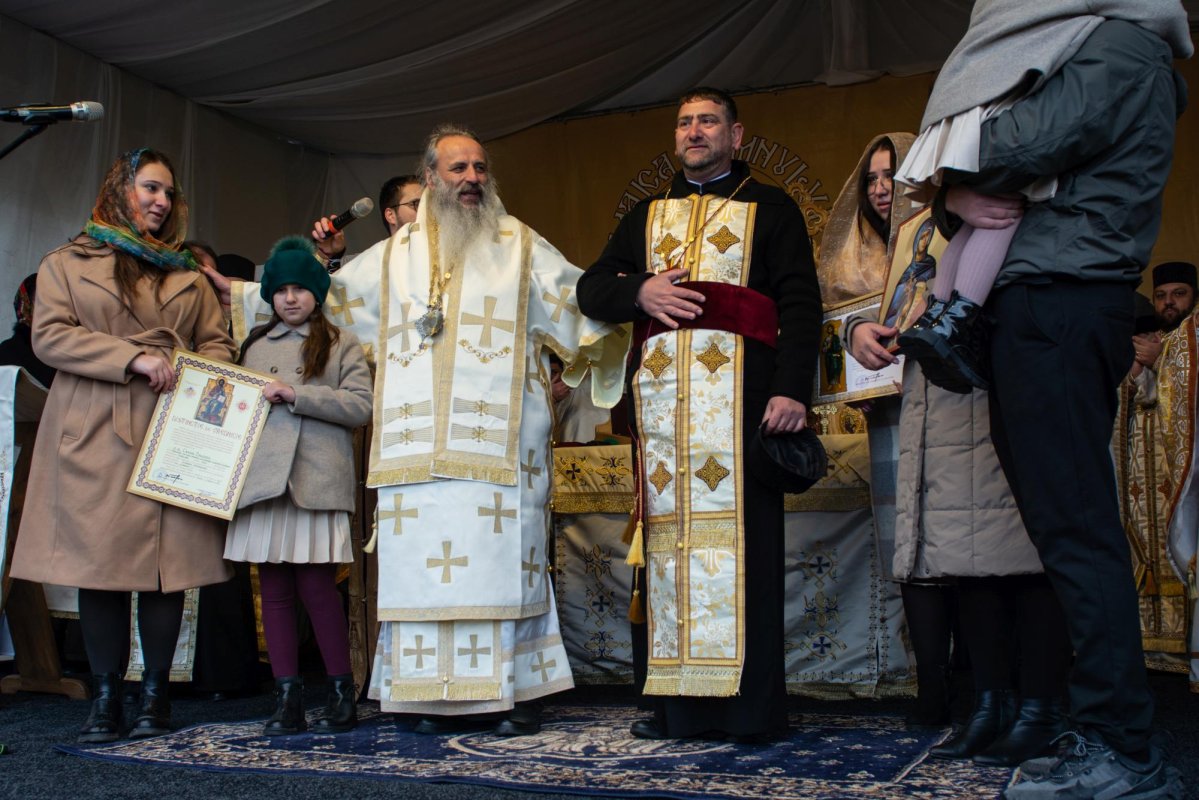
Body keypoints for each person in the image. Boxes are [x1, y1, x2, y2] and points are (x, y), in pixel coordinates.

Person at [204, 124, 623, 736]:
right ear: (430, 178)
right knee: (424, 576)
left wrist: (633, 294)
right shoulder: (392, 257)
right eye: (458, 168)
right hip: (415, 450)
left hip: (500, 449)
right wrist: (243, 293)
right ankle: (427, 698)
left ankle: (514, 695)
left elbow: (575, 297)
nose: (472, 178)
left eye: (480, 168)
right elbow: (324, 297)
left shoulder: (520, 245)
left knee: (500, 567)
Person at [931, 9, 1191, 798]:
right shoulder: (1089, 40)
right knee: (1059, 526)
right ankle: (1109, 734)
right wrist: (954, 186)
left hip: (1063, 301)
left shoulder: (1121, 44)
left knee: (1074, 529)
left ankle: (1123, 747)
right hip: (1038, 304)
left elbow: (1018, 145)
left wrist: (940, 157)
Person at [576, 87, 822, 741]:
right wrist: (641, 289)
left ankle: (749, 713)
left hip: (743, 410)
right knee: (666, 559)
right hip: (661, 425)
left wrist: (793, 390)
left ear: (735, 136)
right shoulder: (645, 217)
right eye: (684, 122)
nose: (694, 131)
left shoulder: (771, 208)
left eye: (707, 121)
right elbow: (592, 288)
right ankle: (672, 709)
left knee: (744, 557)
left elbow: (799, 302)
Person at [8, 147, 237, 743]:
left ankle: (155, 697)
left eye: (168, 193)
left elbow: (218, 347)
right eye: (149, 189)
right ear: (120, 190)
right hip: (94, 427)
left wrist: (190, 372)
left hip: (172, 428)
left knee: (168, 570)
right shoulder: (66, 262)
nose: (161, 202)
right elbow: (50, 336)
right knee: (100, 568)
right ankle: (106, 698)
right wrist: (130, 357)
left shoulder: (188, 274)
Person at [894, 1, 1192, 397]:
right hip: (1044, 277)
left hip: (1065, 277)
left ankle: (946, 314)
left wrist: (952, 170)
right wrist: (951, 197)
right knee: (996, 210)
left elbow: (1035, 143)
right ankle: (949, 316)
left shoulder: (1122, 44)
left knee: (1000, 208)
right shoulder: (1091, 35)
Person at [224, 236, 372, 735]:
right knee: (274, 591)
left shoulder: (340, 343)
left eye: (300, 288)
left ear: (317, 292)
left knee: (318, 588)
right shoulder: (253, 346)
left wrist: (298, 395)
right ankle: (286, 698)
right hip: (264, 485)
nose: (291, 298)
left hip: (316, 480)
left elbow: (360, 406)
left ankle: (339, 693)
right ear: (270, 295)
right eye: (282, 289)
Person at [1115, 262, 1198, 694]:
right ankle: (1148, 644)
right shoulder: (1144, 341)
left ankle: (1186, 646)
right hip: (1137, 469)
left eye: (1179, 294)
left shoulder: (1191, 345)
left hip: (1178, 469)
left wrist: (1161, 357)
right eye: (1163, 294)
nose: (1169, 302)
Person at [312, 174, 423, 272]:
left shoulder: (438, 261)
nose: (427, 212)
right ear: (391, 216)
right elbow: (318, 289)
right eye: (417, 204)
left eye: (428, 206)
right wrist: (326, 255)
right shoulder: (361, 266)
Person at [0, 274, 55, 387]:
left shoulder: (66, 353)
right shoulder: (7, 352)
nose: (51, 309)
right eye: (42, 301)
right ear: (26, 304)